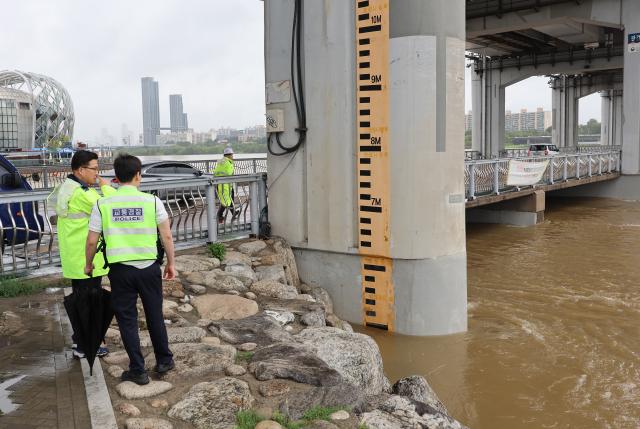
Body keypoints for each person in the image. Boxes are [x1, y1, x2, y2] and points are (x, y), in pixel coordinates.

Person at [84, 154, 176, 385]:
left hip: (120, 270)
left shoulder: (102, 204)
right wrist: (171, 264)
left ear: (115, 178)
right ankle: (164, 360)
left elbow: (92, 241)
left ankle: (138, 370)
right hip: (148, 267)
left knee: (127, 319)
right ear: (138, 176)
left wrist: (88, 263)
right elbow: (166, 235)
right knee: (154, 313)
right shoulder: (152, 202)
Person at [50, 150, 115, 359]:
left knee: (82, 300)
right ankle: (86, 345)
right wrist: (106, 186)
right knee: (89, 302)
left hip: (74, 255)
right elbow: (110, 207)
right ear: (80, 170)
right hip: (86, 257)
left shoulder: (67, 187)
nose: (97, 173)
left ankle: (82, 340)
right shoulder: (82, 193)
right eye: (94, 169)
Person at [213, 147, 235, 223]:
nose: (233, 156)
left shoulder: (220, 161)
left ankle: (220, 215)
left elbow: (215, 172)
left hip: (221, 184)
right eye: (232, 155)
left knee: (226, 201)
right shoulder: (229, 162)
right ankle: (231, 214)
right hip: (226, 185)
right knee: (228, 200)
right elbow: (229, 173)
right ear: (229, 155)